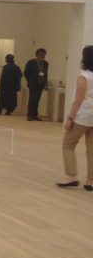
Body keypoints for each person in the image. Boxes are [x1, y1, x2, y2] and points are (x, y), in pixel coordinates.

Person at [58, 46, 93, 190]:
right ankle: (90, 181)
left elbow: (78, 100)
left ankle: (71, 176)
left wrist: (70, 118)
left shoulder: (83, 77)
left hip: (83, 116)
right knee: (91, 149)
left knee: (68, 144)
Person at [24, 48, 49, 121]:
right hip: (33, 84)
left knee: (37, 100)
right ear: (37, 55)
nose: (43, 57)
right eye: (41, 55)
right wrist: (30, 81)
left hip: (41, 84)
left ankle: (35, 115)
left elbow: (46, 74)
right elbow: (26, 72)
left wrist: (45, 83)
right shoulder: (31, 62)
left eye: (44, 55)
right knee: (32, 99)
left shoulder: (46, 63)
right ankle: (30, 115)